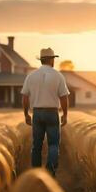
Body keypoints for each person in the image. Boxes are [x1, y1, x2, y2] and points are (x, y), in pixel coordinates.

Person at [20, 47, 70, 177]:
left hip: (37, 113)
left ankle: (36, 175)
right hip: (52, 113)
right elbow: (64, 97)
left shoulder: (31, 76)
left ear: (41, 60)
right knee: (53, 144)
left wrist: (26, 114)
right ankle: (50, 172)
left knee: (36, 145)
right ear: (52, 60)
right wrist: (65, 114)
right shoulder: (58, 76)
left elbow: (25, 97)